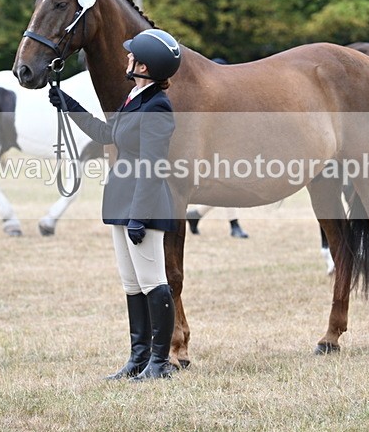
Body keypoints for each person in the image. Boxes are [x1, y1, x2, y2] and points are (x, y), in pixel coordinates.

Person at [49, 28, 181, 380]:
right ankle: (138, 359)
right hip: (121, 199)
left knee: (153, 281)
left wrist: (140, 216)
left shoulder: (157, 106)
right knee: (132, 284)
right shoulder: (134, 97)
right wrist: (71, 108)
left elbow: (153, 168)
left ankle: (159, 362)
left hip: (144, 205)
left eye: (132, 55)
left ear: (146, 67)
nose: (127, 58)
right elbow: (109, 135)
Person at [184, 57, 250, 240]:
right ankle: (234, 225)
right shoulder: (207, 97)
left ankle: (196, 215)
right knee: (230, 185)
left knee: (230, 186)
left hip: (227, 147)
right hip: (214, 150)